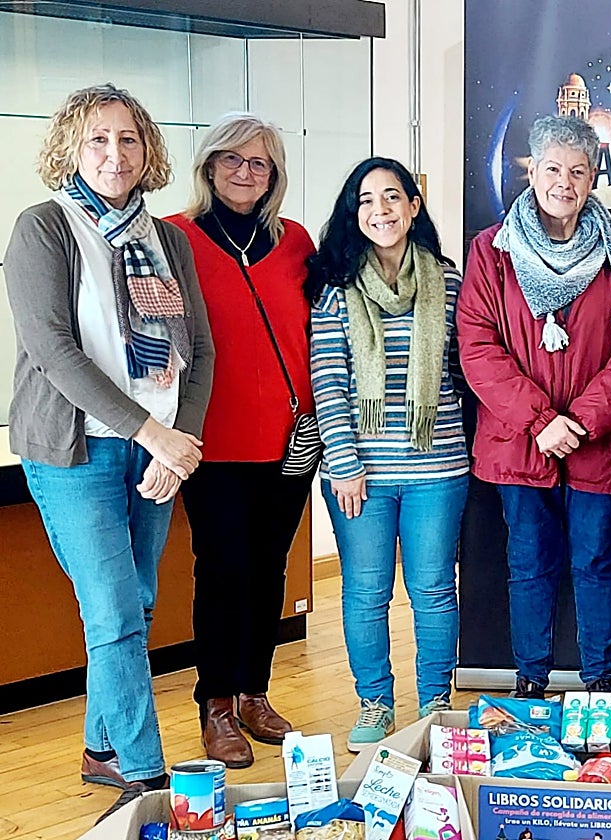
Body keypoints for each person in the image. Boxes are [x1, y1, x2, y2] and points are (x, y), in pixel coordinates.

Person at [4, 83, 213, 817]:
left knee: (135, 603)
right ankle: (148, 781)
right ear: (70, 145)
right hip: (76, 454)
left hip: (156, 453)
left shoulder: (169, 240)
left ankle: (100, 748)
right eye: (98, 139)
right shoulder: (44, 228)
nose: (114, 153)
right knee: (116, 611)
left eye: (128, 139)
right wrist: (148, 429)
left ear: (147, 150)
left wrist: (176, 442)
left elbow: (201, 353)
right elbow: (55, 352)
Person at [458, 115, 611, 699]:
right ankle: (530, 683)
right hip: (519, 442)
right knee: (529, 565)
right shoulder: (492, 251)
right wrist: (543, 422)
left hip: (598, 442)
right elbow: (477, 345)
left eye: (577, 170)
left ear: (594, 176)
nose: (563, 182)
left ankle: (599, 685)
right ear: (531, 171)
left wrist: (583, 422)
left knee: (596, 564)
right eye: (552, 168)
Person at [165, 113, 315, 768]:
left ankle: (256, 693)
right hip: (211, 441)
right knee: (223, 571)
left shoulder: (296, 242)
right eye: (231, 159)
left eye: (258, 163)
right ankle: (217, 704)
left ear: (274, 174)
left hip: (289, 440)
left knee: (270, 570)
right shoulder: (175, 239)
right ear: (208, 165)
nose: (244, 172)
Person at [307, 157, 469, 751]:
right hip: (362, 475)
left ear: (413, 206)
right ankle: (375, 701)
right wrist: (345, 463)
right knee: (366, 590)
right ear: (355, 213)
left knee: (433, 588)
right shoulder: (335, 289)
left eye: (392, 197)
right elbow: (329, 380)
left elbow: (462, 372)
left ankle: (435, 703)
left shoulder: (449, 284)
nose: (381, 210)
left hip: (440, 468)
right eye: (368, 200)